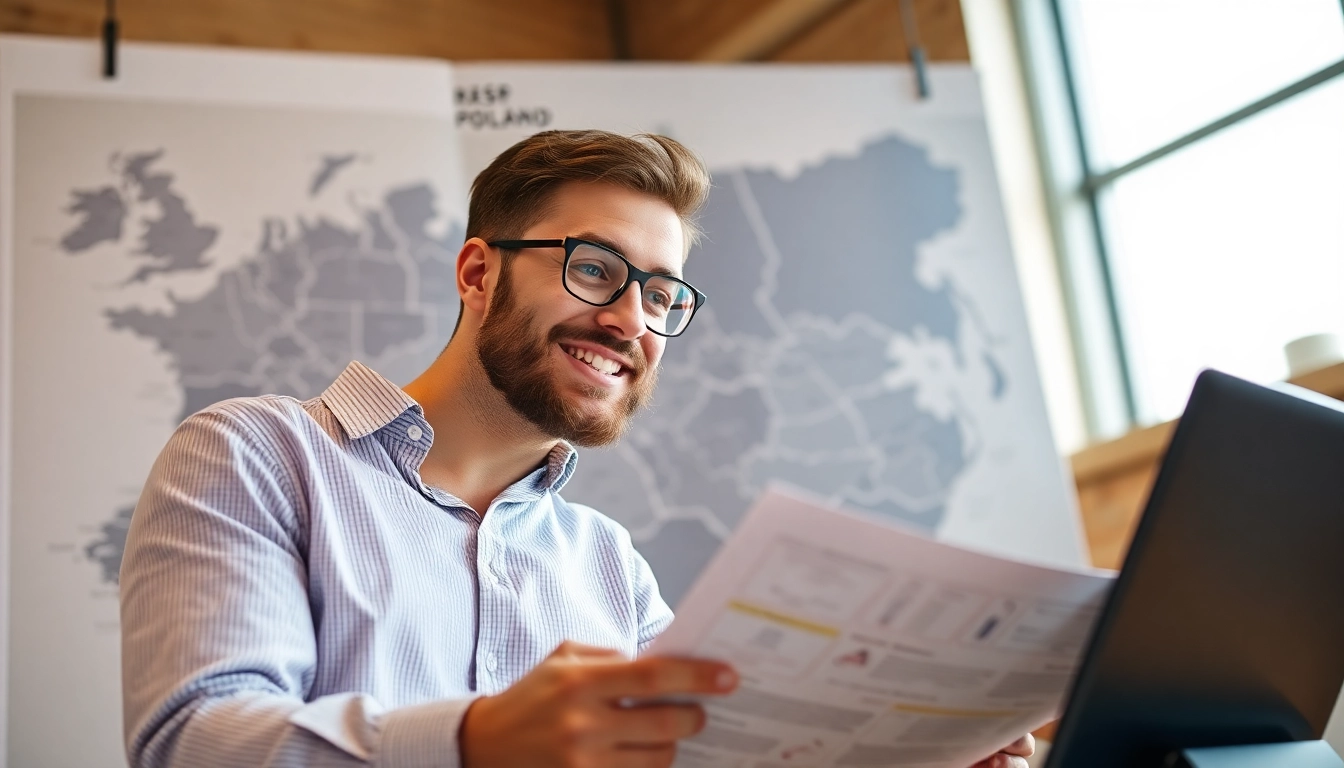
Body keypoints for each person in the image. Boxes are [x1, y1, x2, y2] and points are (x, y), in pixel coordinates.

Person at [120, 129, 1034, 768]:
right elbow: (193, 742)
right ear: (479, 274)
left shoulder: (610, 568)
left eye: (663, 296)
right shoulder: (253, 455)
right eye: (595, 269)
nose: (630, 319)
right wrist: (474, 743)